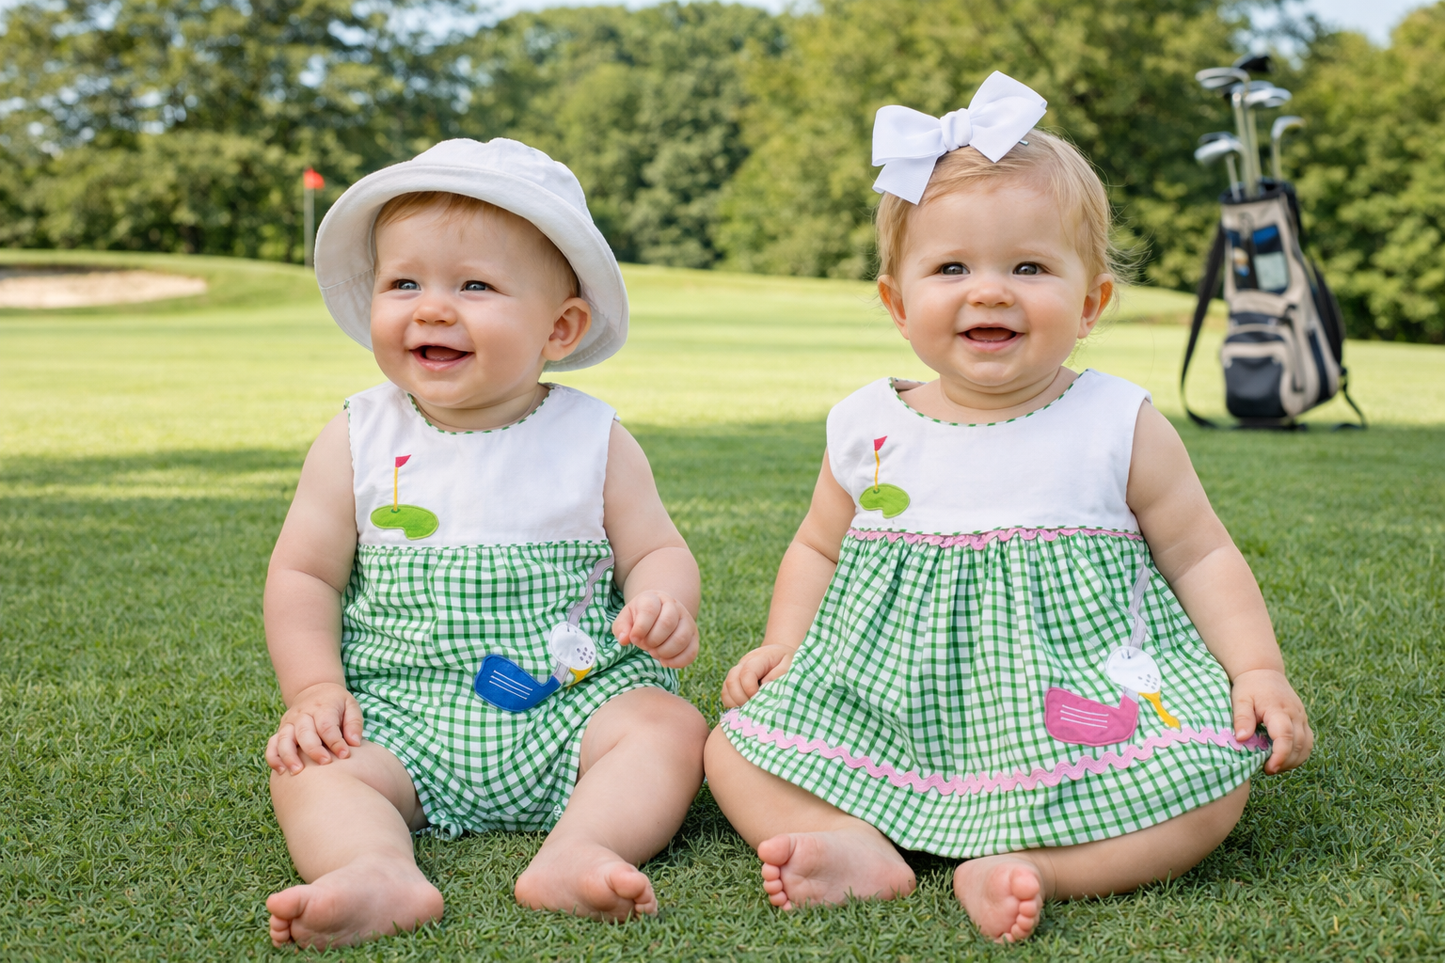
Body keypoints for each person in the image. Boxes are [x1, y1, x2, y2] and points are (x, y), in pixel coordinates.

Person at [703, 72, 1313, 943]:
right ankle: (854, 843)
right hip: (889, 700)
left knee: (1213, 785)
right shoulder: (867, 425)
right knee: (730, 748)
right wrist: (783, 644)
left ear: (1091, 301)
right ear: (897, 303)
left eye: (1028, 267)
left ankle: (1033, 868)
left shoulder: (1116, 421)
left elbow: (1199, 552)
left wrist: (1256, 668)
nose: (988, 290)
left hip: (1073, 697)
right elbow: (817, 548)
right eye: (950, 268)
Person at [262, 138, 710, 949]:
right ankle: (373, 866)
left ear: (560, 327)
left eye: (474, 285)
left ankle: (580, 848)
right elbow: (303, 572)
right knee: (314, 768)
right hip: (400, 712)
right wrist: (315, 689)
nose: (432, 308)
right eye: (404, 283)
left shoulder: (593, 435)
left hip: (571, 706)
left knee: (668, 728)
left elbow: (656, 549)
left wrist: (664, 599)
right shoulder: (358, 435)